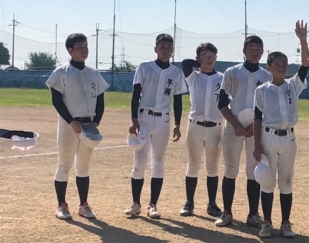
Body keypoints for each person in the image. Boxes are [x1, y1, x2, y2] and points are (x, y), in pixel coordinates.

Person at [252, 21, 309, 238]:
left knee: (286, 181)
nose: (282, 67)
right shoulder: (262, 90)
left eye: (285, 64)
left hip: (288, 139)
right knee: (267, 180)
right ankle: (267, 222)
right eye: (277, 64)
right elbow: (257, 118)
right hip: (268, 137)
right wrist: (257, 144)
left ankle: (286, 222)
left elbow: (305, 65)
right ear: (268, 68)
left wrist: (303, 41)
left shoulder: (292, 86)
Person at [46, 33, 109, 220]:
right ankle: (61, 205)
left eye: (85, 46)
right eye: (79, 47)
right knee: (64, 164)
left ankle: (83, 205)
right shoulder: (61, 72)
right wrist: (71, 122)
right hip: (69, 125)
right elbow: (57, 101)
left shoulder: (94, 73)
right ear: (70, 50)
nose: (84, 50)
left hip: (89, 125)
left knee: (83, 167)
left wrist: (96, 122)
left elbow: (100, 101)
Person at [124, 33, 186, 219]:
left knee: (158, 162)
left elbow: (177, 100)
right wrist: (134, 119)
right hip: (144, 117)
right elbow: (136, 94)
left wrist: (177, 124)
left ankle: (153, 205)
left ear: (173, 50)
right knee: (139, 162)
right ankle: (136, 203)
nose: (166, 51)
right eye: (162, 47)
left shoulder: (176, 73)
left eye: (169, 47)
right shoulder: (144, 67)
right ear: (156, 49)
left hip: (163, 120)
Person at [215, 35, 272, 227]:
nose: (255, 52)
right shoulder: (232, 73)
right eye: (251, 49)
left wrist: (254, 127)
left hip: (256, 129)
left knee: (253, 170)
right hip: (235, 127)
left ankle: (253, 214)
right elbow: (222, 103)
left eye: (258, 49)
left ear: (262, 52)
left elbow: (268, 107)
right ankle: (227, 212)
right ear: (244, 51)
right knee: (230, 169)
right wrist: (236, 125)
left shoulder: (267, 76)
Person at [180, 43, 224, 218]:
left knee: (212, 167)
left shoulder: (222, 78)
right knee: (193, 165)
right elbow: (185, 63)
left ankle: (212, 204)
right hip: (195, 126)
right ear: (198, 59)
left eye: (212, 55)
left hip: (216, 127)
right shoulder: (193, 77)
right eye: (205, 55)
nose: (209, 58)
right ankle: (189, 203)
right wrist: (199, 64)